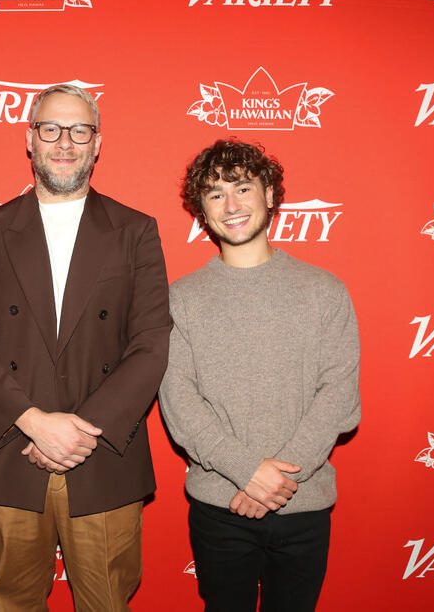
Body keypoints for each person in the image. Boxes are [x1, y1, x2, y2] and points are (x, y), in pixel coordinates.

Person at [0, 84, 170, 611]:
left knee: (106, 603)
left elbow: (150, 344)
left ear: (98, 144)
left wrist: (78, 432)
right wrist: (34, 422)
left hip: (103, 456)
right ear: (30, 140)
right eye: (50, 129)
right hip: (12, 451)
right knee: (15, 603)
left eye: (79, 130)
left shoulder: (135, 231)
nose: (65, 142)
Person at [159, 139, 361, 612]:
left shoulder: (325, 291)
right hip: (220, 507)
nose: (231, 205)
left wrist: (274, 480)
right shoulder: (180, 299)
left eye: (243, 188)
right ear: (202, 212)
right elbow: (179, 403)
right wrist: (247, 472)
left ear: (269, 195)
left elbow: (339, 396)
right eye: (215, 194)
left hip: (303, 505)